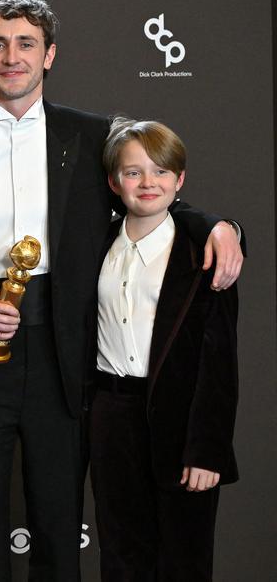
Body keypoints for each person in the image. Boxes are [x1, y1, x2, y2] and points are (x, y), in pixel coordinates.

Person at [0, 0, 244, 582]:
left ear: (49, 55)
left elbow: (150, 190)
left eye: (25, 45)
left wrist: (219, 224)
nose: (11, 57)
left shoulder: (94, 135)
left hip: (66, 348)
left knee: (59, 513)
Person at [89, 118, 238, 581]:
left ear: (180, 179)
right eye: (133, 172)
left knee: (183, 561)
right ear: (115, 182)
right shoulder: (96, 244)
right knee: (121, 556)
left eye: (161, 171)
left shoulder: (203, 252)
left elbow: (220, 361)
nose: (148, 183)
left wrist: (207, 450)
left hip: (180, 426)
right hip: (111, 420)